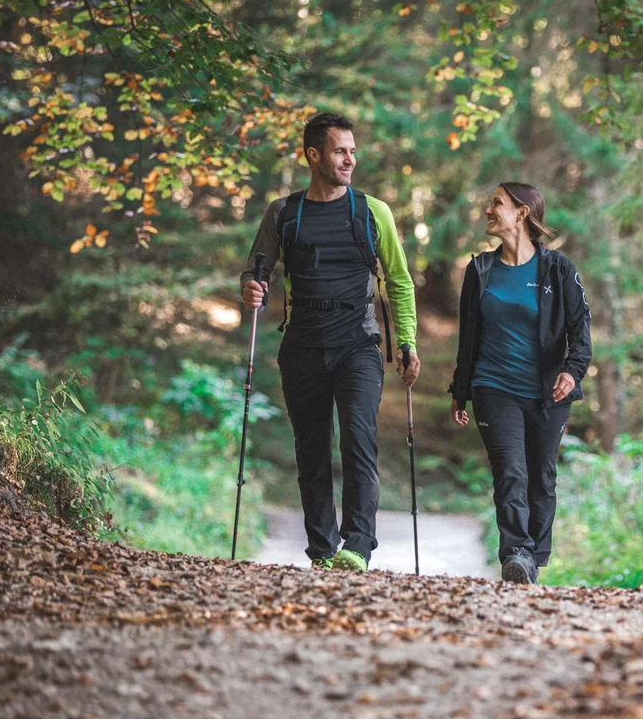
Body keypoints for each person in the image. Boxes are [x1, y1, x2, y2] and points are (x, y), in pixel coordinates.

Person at [240, 112, 419, 572]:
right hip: (300, 344)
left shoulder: (372, 211)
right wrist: (252, 288)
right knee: (312, 449)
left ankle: (357, 546)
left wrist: (407, 342)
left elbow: (398, 281)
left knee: (359, 441)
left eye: (353, 151)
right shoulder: (284, 212)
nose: (350, 160)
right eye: (341, 151)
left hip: (358, 343)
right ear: (313, 154)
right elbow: (255, 270)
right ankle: (321, 550)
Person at [448, 182, 592, 584]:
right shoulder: (480, 270)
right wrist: (461, 389)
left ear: (522, 213)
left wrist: (571, 370)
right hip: (493, 387)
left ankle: (533, 559)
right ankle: (515, 553)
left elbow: (581, 329)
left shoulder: (558, 269)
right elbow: (468, 335)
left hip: (548, 392)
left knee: (542, 476)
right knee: (510, 471)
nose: (488, 209)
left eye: (497, 203)